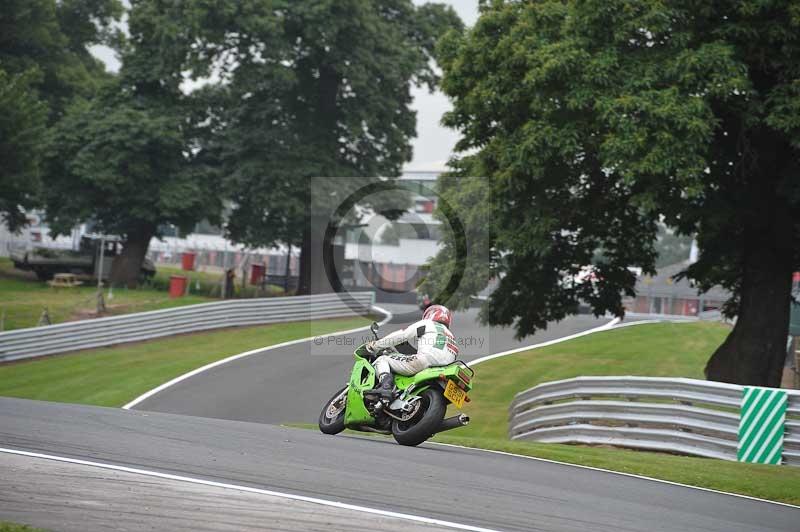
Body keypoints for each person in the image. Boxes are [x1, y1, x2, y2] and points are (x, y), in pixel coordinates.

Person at [365, 304, 459, 400]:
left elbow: (403, 335)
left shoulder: (427, 324)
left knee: (382, 359)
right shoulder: (451, 336)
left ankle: (385, 388)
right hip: (443, 370)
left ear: (431, 314)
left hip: (425, 361)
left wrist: (376, 345)